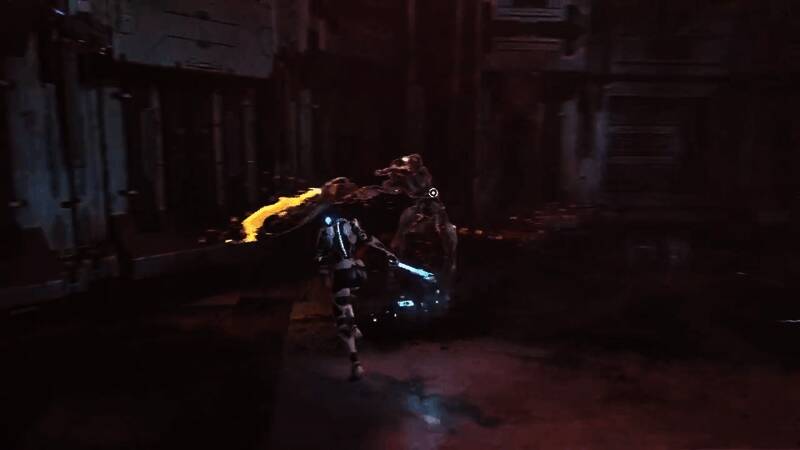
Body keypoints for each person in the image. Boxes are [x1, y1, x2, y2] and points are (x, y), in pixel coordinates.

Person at [315, 213, 397, 380]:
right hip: (357, 272)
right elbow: (369, 240)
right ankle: (352, 322)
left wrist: (325, 278)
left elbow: (320, 257)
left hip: (342, 273)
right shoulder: (352, 224)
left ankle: (355, 362)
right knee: (346, 301)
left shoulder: (325, 231)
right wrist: (389, 253)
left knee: (340, 317)